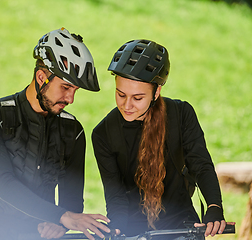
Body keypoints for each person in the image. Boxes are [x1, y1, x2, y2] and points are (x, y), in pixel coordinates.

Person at [0, 27, 111, 240]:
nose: (71, 99)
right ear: (41, 77)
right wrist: (61, 216)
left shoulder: (73, 132)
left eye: (75, 91)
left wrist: (58, 225)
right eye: (65, 87)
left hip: (31, 234)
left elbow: (71, 200)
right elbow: (5, 185)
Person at [91, 39, 235, 239]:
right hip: (135, 231)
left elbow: (200, 165)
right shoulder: (103, 134)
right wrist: (117, 228)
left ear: (156, 92)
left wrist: (214, 207)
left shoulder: (181, 114)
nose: (127, 105)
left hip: (183, 226)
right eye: (120, 94)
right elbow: (115, 195)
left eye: (138, 98)